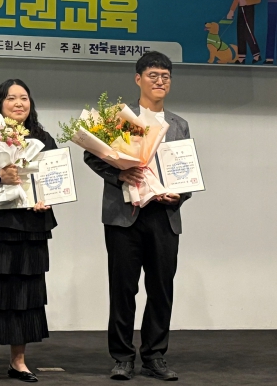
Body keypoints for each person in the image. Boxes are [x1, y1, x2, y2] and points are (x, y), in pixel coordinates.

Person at [84, 52, 191, 381]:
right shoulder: (121, 117)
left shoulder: (179, 124)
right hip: (124, 215)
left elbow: (186, 170)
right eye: (153, 75)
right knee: (122, 288)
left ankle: (155, 356)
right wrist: (119, 176)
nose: (160, 81)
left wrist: (181, 195)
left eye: (165, 76)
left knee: (161, 288)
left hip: (164, 215)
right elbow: (92, 154)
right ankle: (122, 357)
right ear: (138, 79)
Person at [0, 79, 57, 384]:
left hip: (31, 225)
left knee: (26, 294)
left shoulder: (42, 137)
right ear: (0, 104)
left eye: (24, 98)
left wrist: (46, 198)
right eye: (11, 98)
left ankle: (19, 360)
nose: (19, 103)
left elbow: (54, 178)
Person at [227, 0, 261, 64]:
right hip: (240, 10)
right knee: (240, 32)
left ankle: (257, 55)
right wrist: (231, 11)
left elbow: (258, 0)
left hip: (249, 10)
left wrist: (247, 2)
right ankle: (241, 57)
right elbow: (236, 0)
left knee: (248, 32)